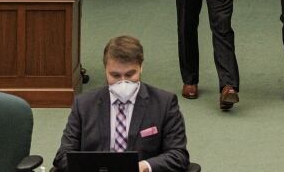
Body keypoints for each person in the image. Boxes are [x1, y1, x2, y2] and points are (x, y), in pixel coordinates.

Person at [53, 36, 189, 172]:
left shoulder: (164, 103)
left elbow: (178, 155)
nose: (123, 82)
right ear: (105, 69)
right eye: (115, 76)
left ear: (141, 67)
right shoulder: (83, 104)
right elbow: (63, 156)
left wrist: (144, 166)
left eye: (130, 75)